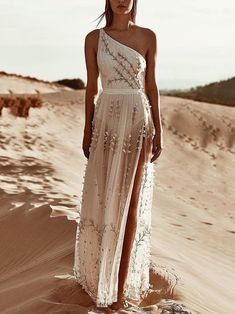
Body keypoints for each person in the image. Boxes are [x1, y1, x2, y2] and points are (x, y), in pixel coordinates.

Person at [73, 0, 163, 311]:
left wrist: (159, 130)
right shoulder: (94, 39)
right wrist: (88, 130)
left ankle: (120, 292)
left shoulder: (148, 36)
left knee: (132, 203)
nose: (122, 0)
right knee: (105, 198)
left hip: (138, 119)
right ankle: (100, 280)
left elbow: (151, 86)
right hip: (106, 122)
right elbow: (91, 88)